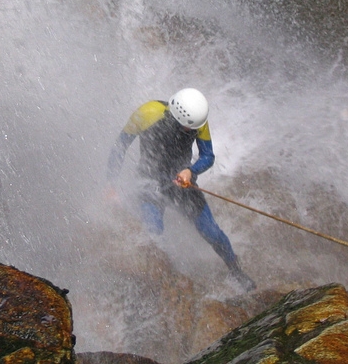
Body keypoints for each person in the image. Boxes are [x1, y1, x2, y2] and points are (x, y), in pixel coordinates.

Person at [106, 88, 255, 291]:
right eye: (186, 128)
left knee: (211, 232)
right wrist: (111, 184)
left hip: (181, 183)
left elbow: (208, 156)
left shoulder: (197, 121)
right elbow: (120, 146)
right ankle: (159, 285)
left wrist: (190, 171)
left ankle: (236, 271)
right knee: (154, 233)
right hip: (149, 183)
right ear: (176, 116)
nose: (189, 131)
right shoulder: (147, 113)